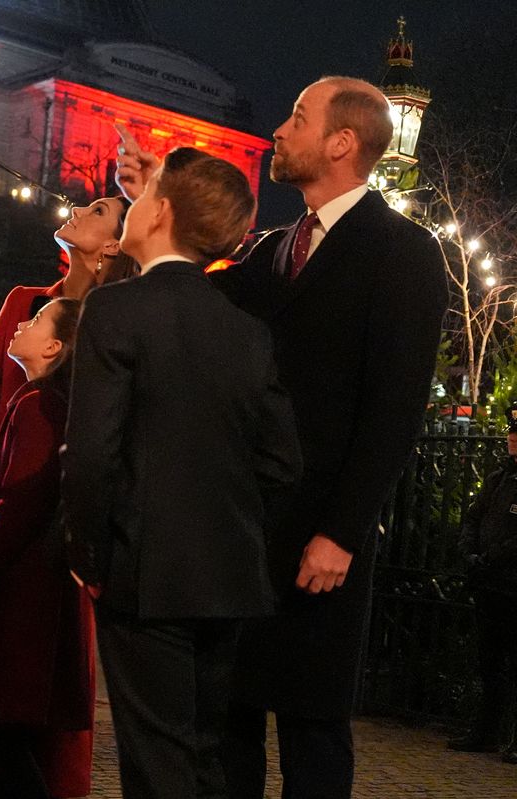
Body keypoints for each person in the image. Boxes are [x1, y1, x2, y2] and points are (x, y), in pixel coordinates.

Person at [116, 76, 449, 798]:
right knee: (230, 722)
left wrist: (343, 531)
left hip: (322, 542)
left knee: (313, 729)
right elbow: (190, 294)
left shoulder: (403, 251)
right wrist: (155, 205)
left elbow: (395, 409)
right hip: (246, 534)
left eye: (298, 117)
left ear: (341, 142)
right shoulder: (272, 249)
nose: (279, 129)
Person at [62, 146, 303, 799]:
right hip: (229, 574)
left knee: (157, 761)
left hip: (144, 571)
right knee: (203, 754)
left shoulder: (117, 310)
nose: (130, 207)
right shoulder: (247, 331)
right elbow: (283, 461)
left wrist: (89, 554)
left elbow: (90, 454)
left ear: (161, 211)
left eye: (142, 197)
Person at [0, 298, 95, 799]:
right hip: (31, 592)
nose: (21, 324)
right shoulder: (40, 401)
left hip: (22, 598)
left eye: (36, 320)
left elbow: (18, 501)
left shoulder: (38, 405)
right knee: (5, 745)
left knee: (7, 748)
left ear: (53, 346)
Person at [0, 196, 137, 491]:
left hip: (66, 482)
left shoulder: (116, 322)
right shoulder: (24, 301)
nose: (77, 209)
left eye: (97, 211)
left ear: (114, 245)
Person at [450, 401, 517, 763]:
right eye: (511, 432)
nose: (512, 438)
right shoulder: (499, 478)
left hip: (511, 584)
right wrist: (468, 553)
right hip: (491, 586)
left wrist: (488, 559)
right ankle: (487, 732)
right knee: (490, 663)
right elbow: (474, 518)